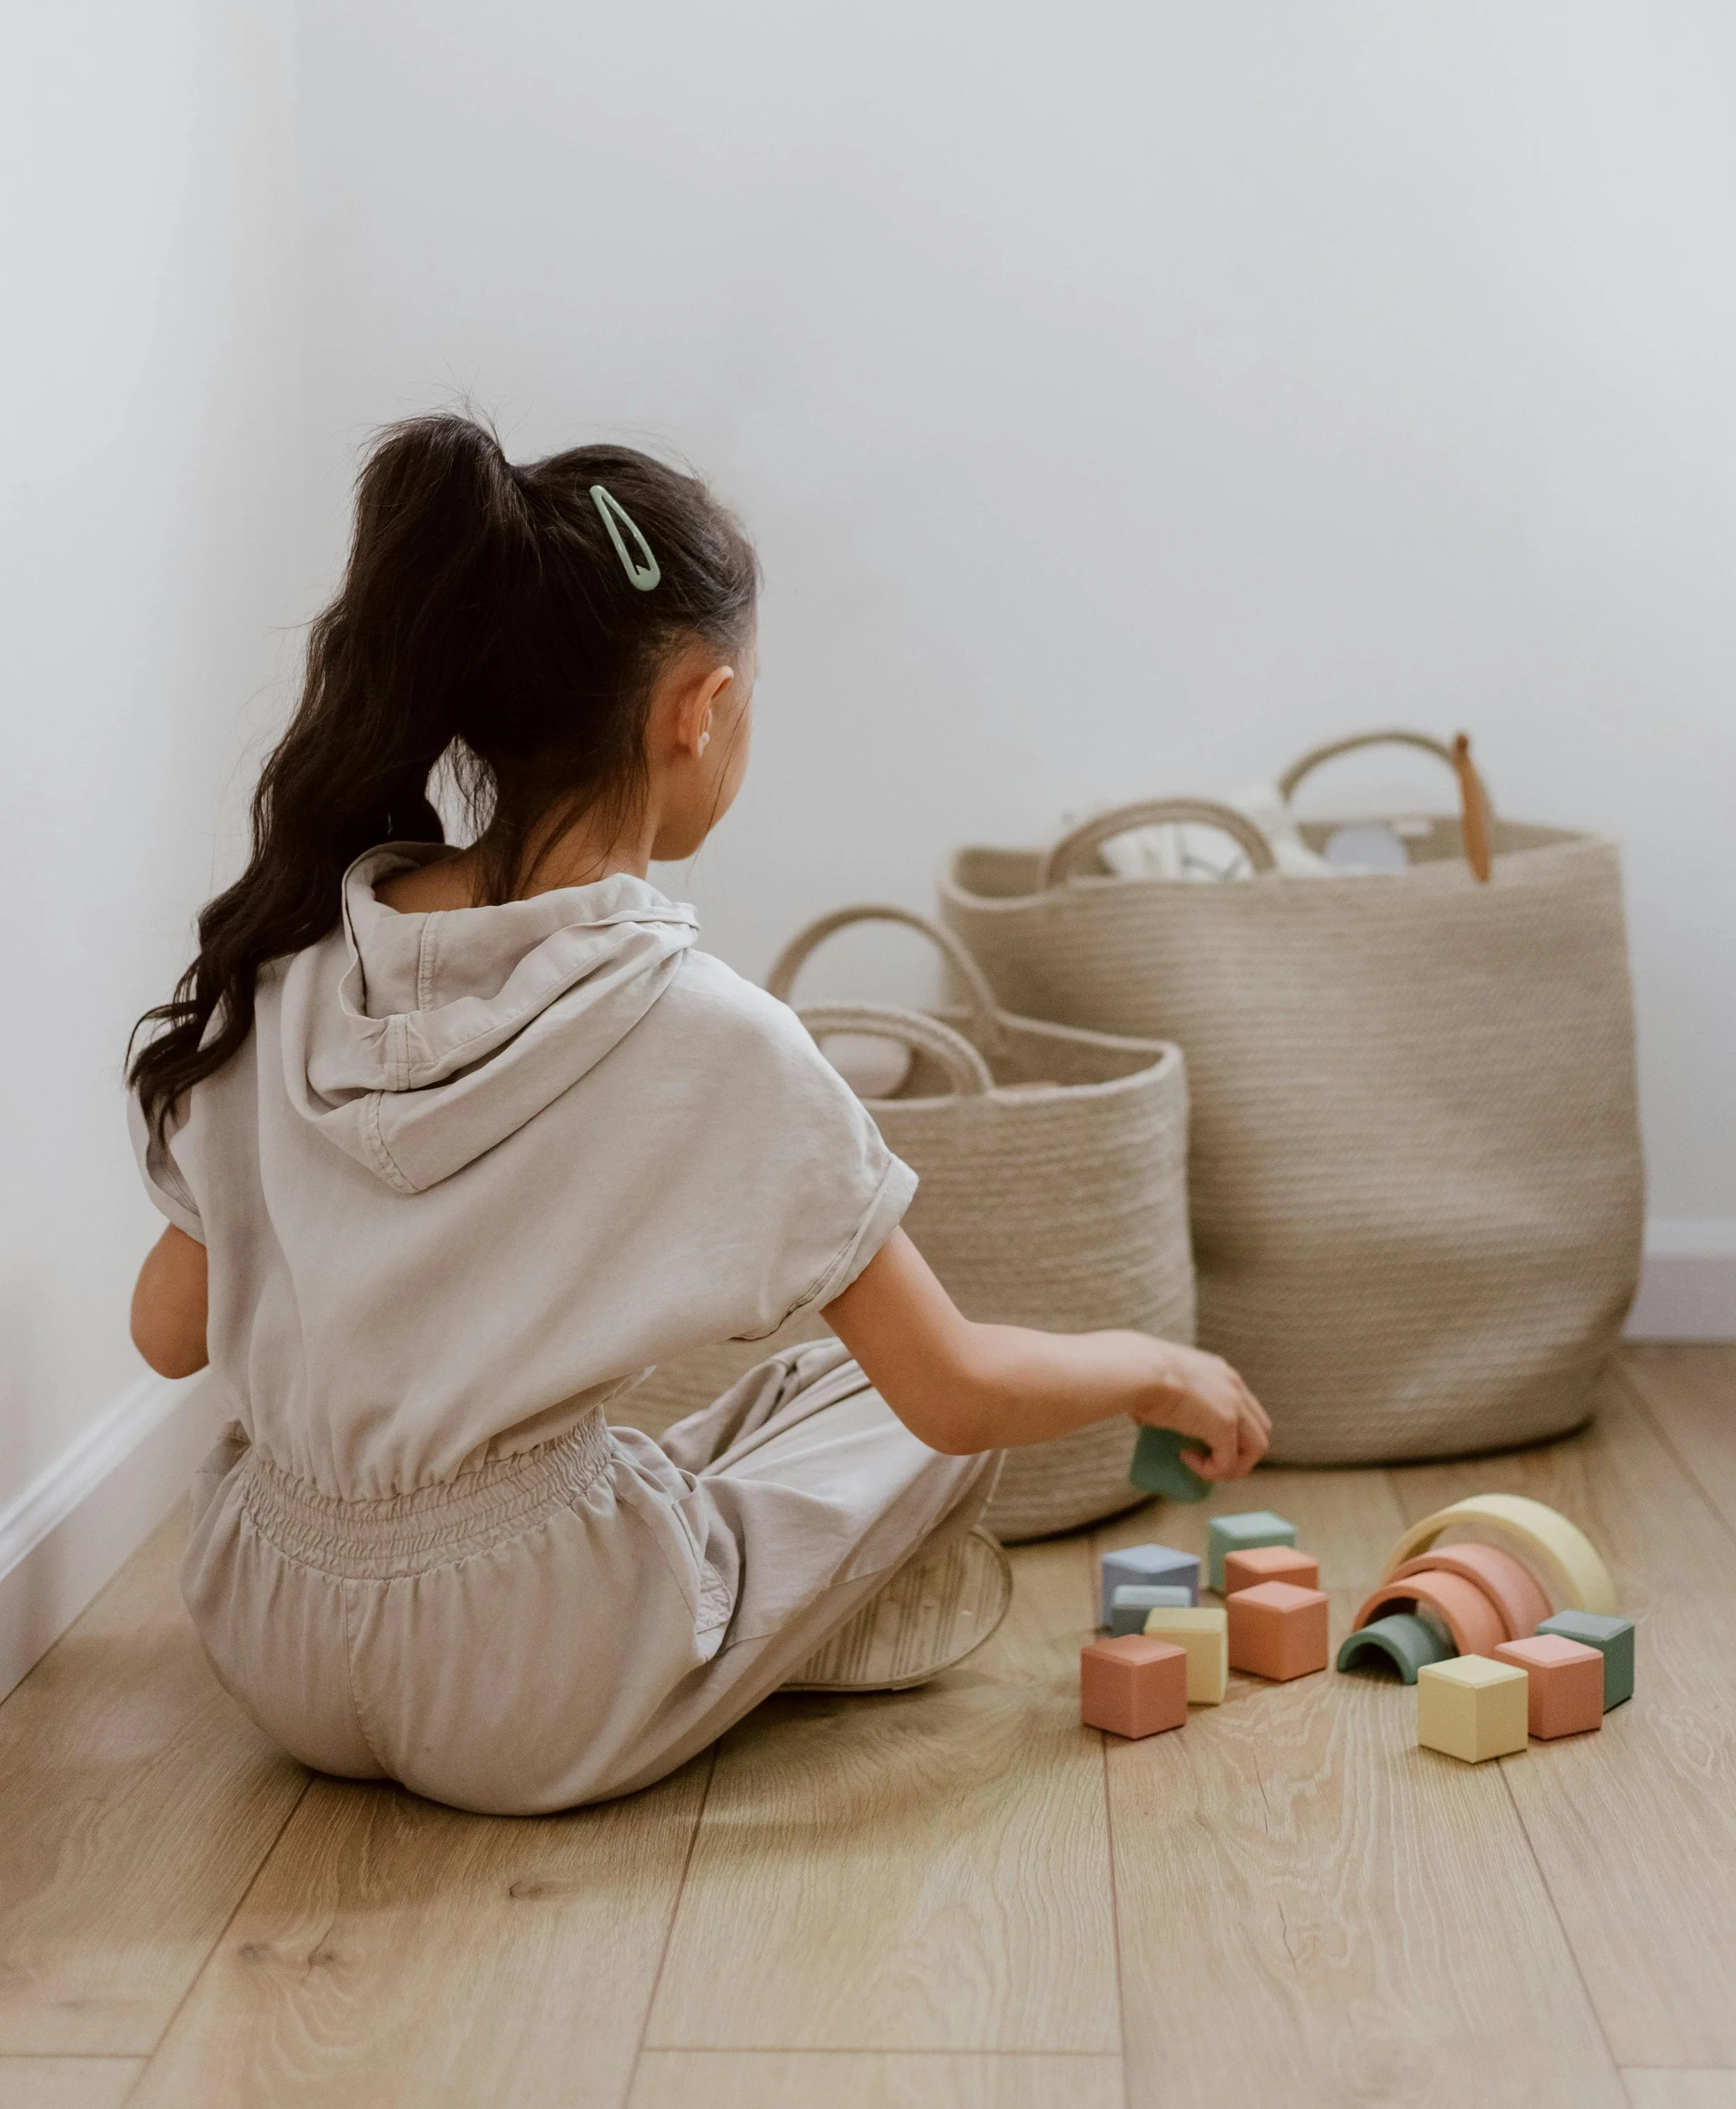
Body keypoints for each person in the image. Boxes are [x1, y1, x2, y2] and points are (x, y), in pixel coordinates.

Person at [128, 415, 1271, 1812]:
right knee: (887, 1407)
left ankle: (678, 1573)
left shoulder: (293, 961)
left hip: (269, 1634)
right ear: (697, 708)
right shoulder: (707, 1033)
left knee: (739, 1415)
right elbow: (955, 1391)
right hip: (526, 1684)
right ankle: (751, 1635)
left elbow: (168, 1336)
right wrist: (1157, 1370)